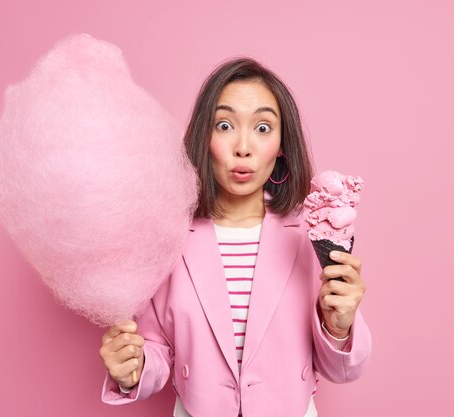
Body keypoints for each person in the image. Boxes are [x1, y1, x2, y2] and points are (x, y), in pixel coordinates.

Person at [98, 57, 372, 417]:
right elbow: (158, 349)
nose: (243, 147)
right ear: (203, 138)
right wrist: (131, 368)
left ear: (281, 146)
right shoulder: (167, 236)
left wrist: (339, 327)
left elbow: (341, 369)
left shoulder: (311, 235)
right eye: (224, 125)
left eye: (262, 128)